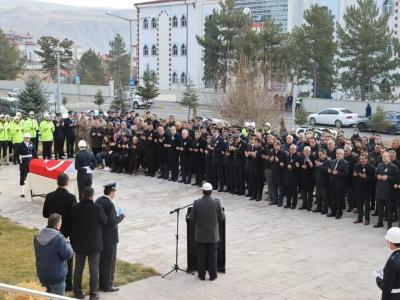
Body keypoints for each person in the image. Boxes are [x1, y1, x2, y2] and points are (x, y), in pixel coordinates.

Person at [71, 187, 108, 300]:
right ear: (92, 196)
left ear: (82, 195)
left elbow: (72, 221)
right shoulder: (97, 208)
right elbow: (105, 221)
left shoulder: (75, 207)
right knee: (94, 270)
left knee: (78, 268)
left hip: (79, 243)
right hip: (94, 244)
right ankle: (93, 293)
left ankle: (77, 291)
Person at [42, 174, 77, 291]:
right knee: (68, 257)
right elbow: (74, 216)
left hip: (52, 230)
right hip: (67, 231)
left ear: (57, 182)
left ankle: (51, 282)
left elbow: (45, 214)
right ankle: (68, 284)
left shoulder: (50, 196)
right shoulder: (71, 197)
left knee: (52, 256)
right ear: (67, 183)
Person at [189, 182, 225, 281]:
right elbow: (221, 218)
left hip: (200, 235)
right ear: (211, 191)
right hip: (213, 235)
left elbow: (192, 219)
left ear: (203, 192)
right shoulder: (217, 202)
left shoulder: (196, 203)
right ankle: (213, 275)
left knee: (201, 256)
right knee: (212, 256)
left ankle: (201, 275)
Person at [34, 213, 73, 296]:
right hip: (57, 276)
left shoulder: (37, 236)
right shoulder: (59, 238)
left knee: (46, 297)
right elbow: (68, 255)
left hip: (42, 274)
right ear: (58, 224)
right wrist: (68, 243)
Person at [95, 183, 125, 292]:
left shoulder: (98, 200)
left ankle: (102, 283)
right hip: (110, 238)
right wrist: (121, 216)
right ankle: (107, 285)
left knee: (102, 261)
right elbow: (112, 222)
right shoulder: (110, 205)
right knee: (109, 262)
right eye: (114, 192)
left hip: (101, 236)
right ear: (111, 192)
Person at [376, 227, 400, 300]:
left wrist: (378, 280)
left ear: (392, 243)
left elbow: (387, 287)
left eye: (388, 241)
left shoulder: (392, 261)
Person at [15, 132, 36, 197]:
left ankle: (32, 191)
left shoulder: (31, 144)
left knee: (31, 176)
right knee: (23, 176)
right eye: (26, 138)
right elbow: (16, 153)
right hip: (23, 162)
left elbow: (34, 153)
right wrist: (19, 160)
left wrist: (36, 160)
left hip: (30, 162)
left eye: (28, 138)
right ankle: (22, 191)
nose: (27, 139)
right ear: (24, 138)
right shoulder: (20, 145)